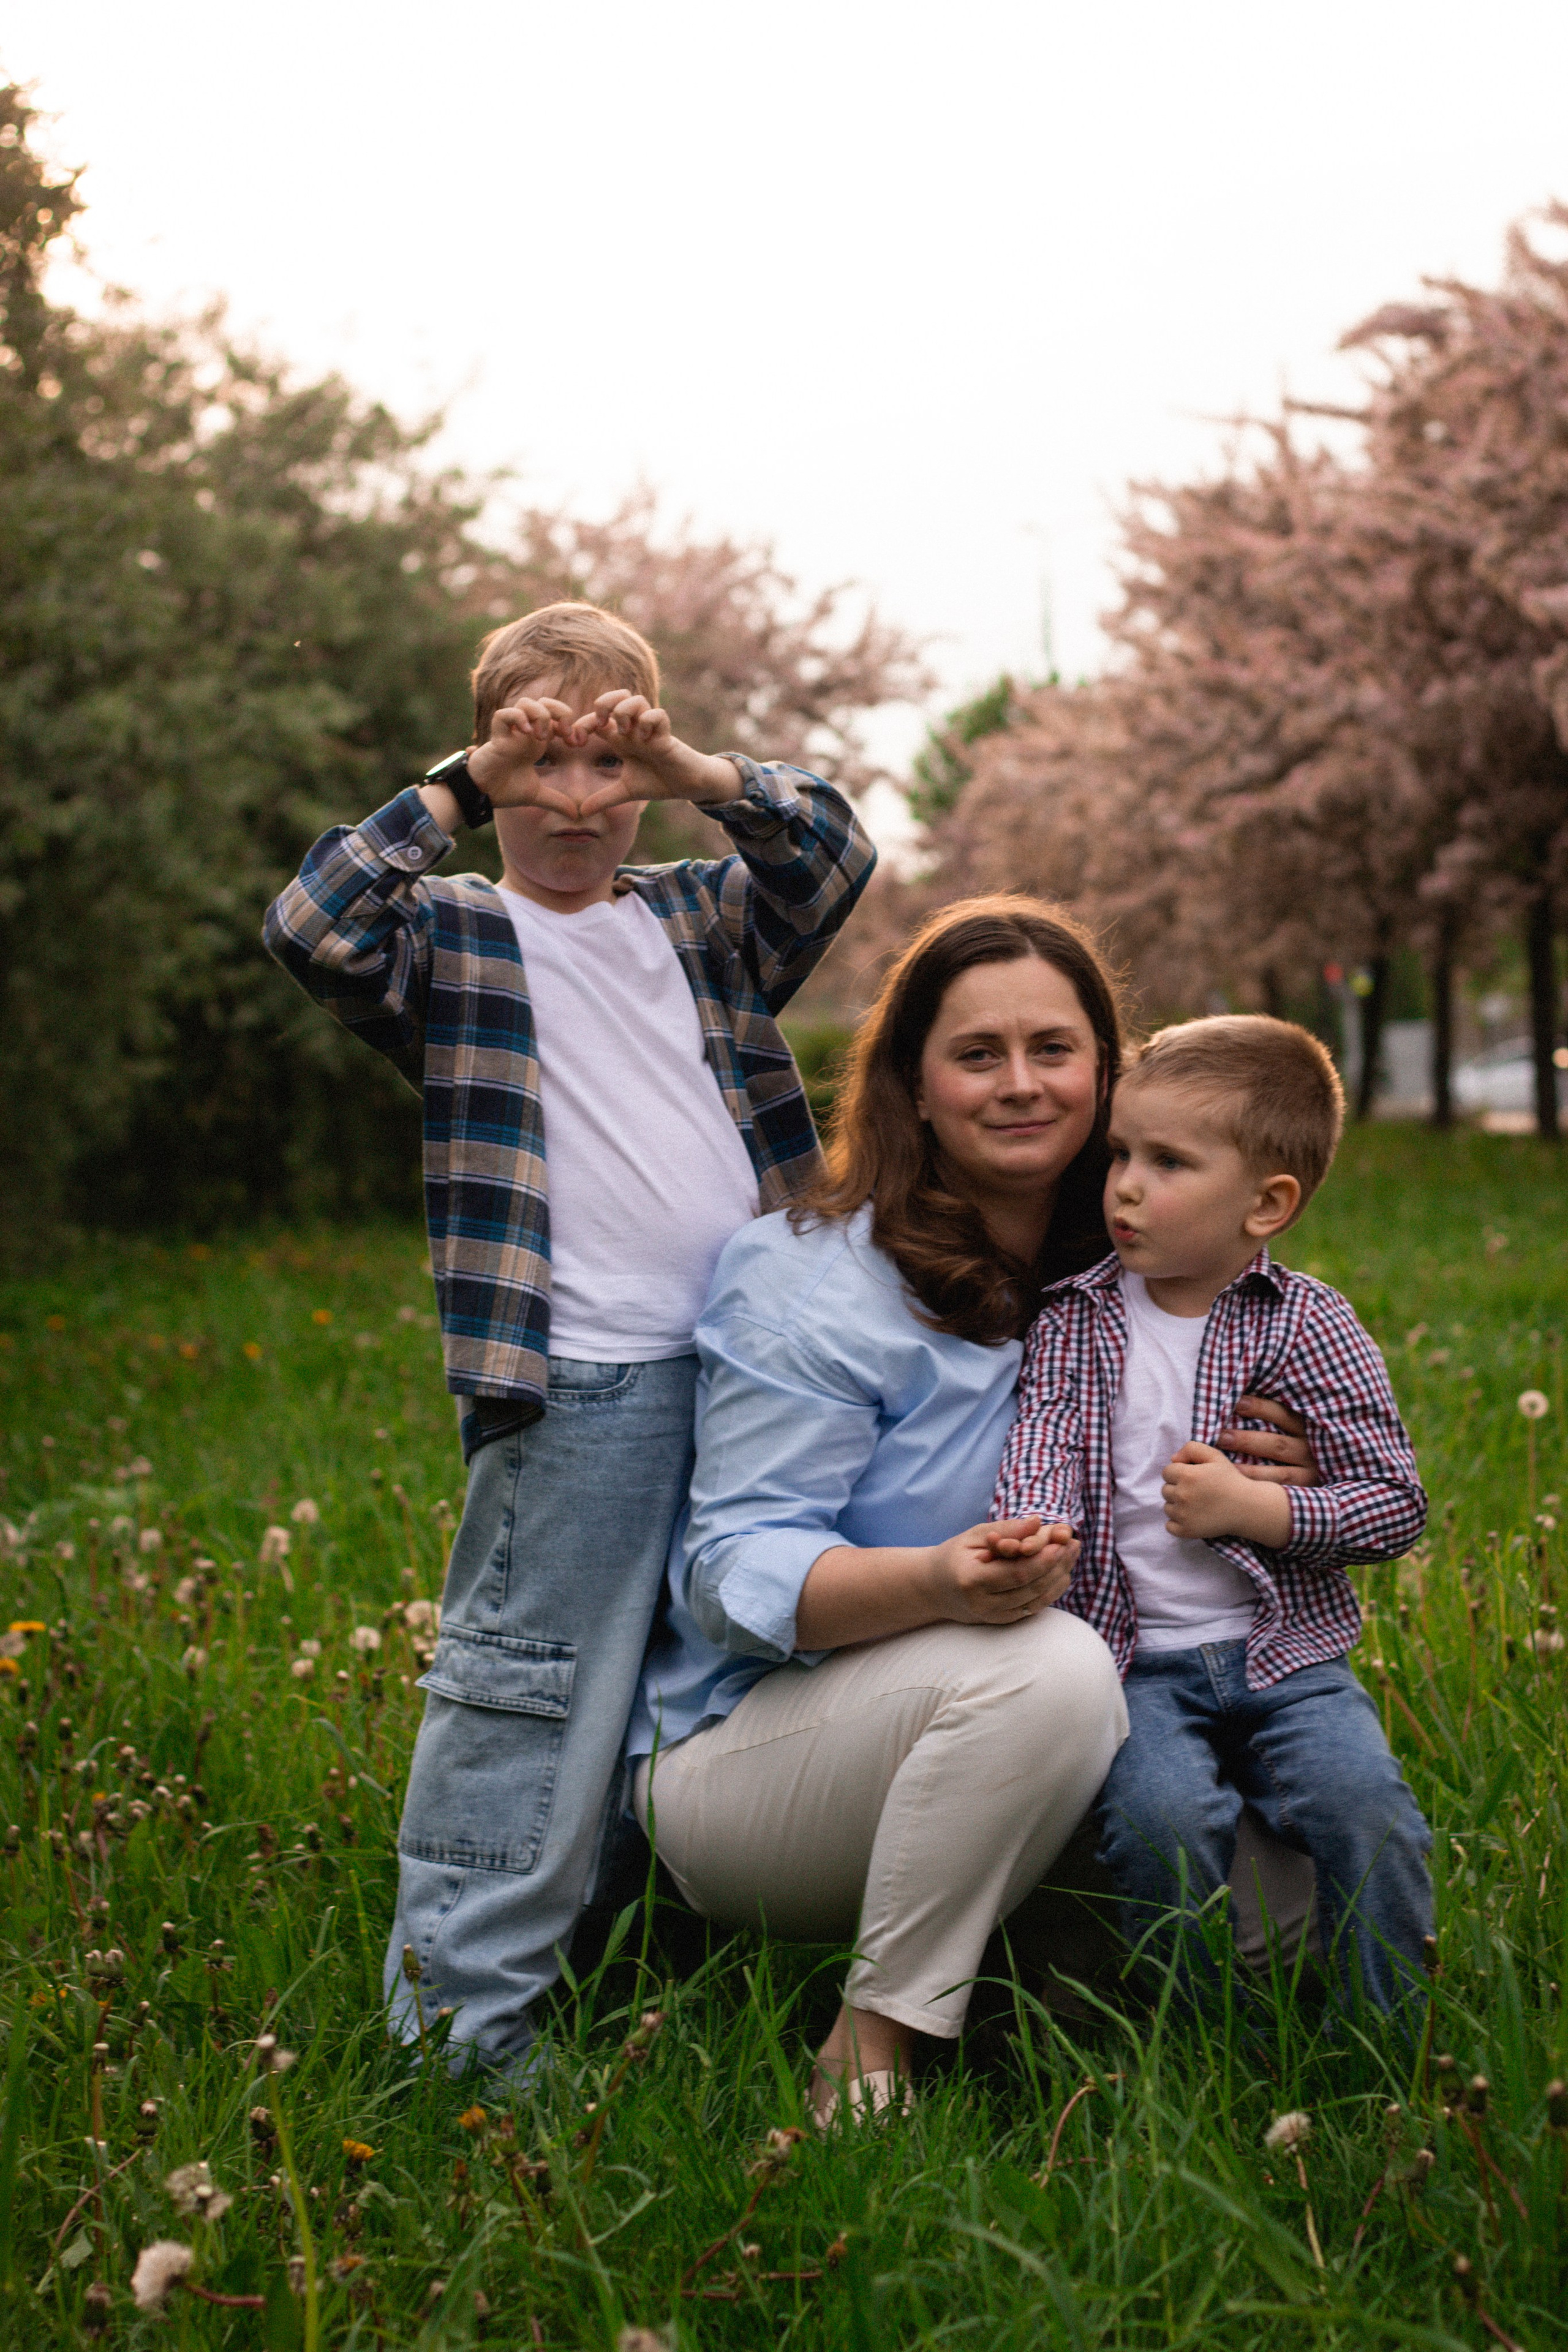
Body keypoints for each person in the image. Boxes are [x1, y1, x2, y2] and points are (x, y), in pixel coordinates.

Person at [263, 600, 876, 2075]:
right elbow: (311, 924)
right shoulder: (452, 938)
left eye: (610, 766)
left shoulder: (698, 917)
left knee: (694, 1684)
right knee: (531, 1693)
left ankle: (619, 1961)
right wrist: (462, 787)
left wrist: (694, 770)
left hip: (755, 1367)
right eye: (542, 766)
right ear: (491, 769)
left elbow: (831, 857)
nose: (578, 801)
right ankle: (462, 2031)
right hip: (582, 1379)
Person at [629, 903, 1324, 2116]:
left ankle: (1017, 1985)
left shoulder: (1153, 1273)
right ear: (913, 1084)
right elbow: (731, 1575)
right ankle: (871, 2049)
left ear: (1107, 1074)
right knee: (1047, 1668)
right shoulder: (810, 1277)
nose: (1020, 1085)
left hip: (1066, 1720)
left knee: (1286, 1915)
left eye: (1053, 1050)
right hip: (758, 1758)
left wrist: (1281, 1478)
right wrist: (938, 1581)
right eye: (976, 1054)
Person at [993, 1014, 1432, 2016]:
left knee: (1369, 1811)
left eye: (1169, 1163)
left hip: (1288, 1659)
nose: (1124, 1186)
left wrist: (1258, 1509)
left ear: (1266, 1204)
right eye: (1120, 1154)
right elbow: (1042, 1443)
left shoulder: (1309, 1324)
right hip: (1134, 1663)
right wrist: (1035, 1527)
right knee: (1160, 1820)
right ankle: (1191, 2042)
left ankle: (1395, 2041)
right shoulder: (1076, 1318)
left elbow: (1393, 1505)